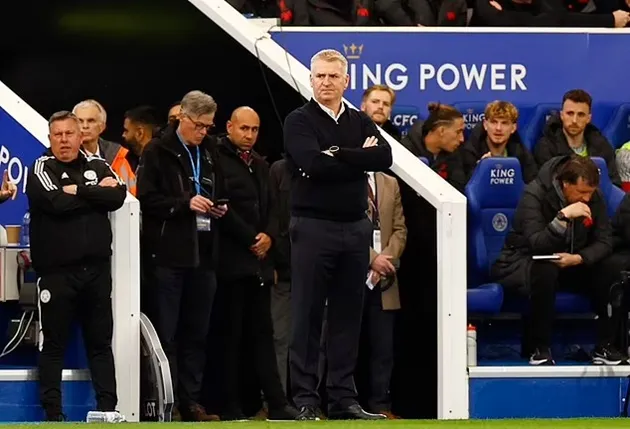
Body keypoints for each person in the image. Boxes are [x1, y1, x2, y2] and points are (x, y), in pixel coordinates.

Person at [283, 48, 392, 420]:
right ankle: (305, 399)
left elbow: (384, 158)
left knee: (348, 316)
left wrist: (337, 154)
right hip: (312, 227)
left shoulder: (360, 119)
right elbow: (311, 164)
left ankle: (343, 398)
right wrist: (354, 157)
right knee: (307, 315)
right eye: (319, 76)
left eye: (333, 76)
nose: (325, 82)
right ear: (311, 79)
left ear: (346, 81)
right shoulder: (298, 120)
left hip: (355, 228)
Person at [26, 111, 127, 421]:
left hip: (96, 273)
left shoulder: (96, 163)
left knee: (100, 343)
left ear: (80, 136)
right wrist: (96, 194)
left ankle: (109, 410)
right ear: (49, 138)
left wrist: (79, 190)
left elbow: (118, 195)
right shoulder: (42, 167)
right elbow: (55, 202)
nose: (64, 140)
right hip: (57, 274)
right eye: (57, 135)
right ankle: (54, 414)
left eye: (69, 134)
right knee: (53, 345)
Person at [136, 90, 227, 422]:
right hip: (169, 254)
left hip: (204, 252)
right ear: (183, 119)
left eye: (208, 126)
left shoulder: (211, 151)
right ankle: (167, 402)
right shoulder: (157, 151)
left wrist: (218, 205)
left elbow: (219, 188)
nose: (204, 132)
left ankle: (192, 401)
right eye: (199, 125)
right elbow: (146, 199)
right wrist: (183, 204)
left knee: (197, 333)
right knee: (168, 333)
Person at [492, 155, 628, 366]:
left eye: (590, 193)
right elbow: (537, 244)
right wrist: (562, 218)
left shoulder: (594, 197)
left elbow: (605, 241)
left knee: (611, 268)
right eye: (581, 192)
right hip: (522, 262)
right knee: (545, 270)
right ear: (565, 184)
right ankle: (540, 347)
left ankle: (605, 346)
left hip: (570, 261)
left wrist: (580, 258)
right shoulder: (534, 193)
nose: (586, 199)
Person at [214, 107, 297, 420]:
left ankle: (276, 403)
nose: (249, 135)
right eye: (244, 129)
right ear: (230, 127)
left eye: (254, 130)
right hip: (231, 264)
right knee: (230, 338)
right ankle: (230, 406)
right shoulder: (217, 159)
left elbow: (274, 209)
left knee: (265, 336)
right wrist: (252, 238)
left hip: (260, 266)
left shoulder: (262, 165)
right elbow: (221, 207)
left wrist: (270, 238)